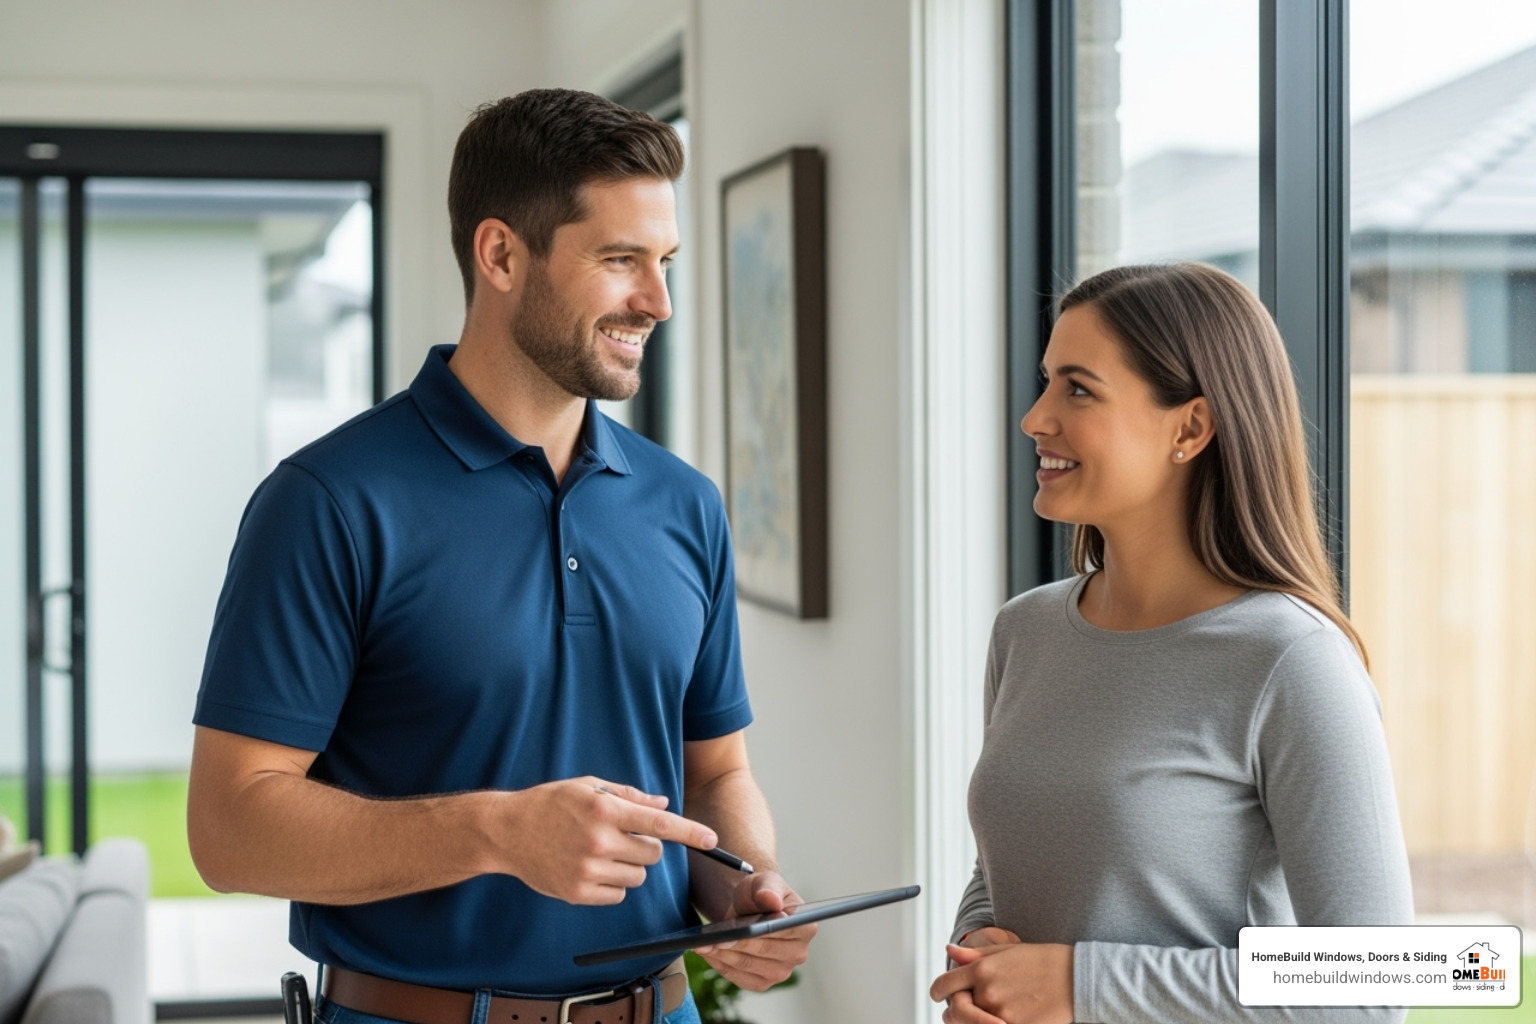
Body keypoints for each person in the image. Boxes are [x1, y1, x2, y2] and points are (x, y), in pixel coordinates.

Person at [187, 89, 814, 1024]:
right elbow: (229, 828)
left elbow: (714, 770)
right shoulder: (328, 502)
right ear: (502, 255)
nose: (658, 301)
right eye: (621, 260)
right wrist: (498, 831)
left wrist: (743, 886)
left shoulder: (685, 504)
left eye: (666, 262)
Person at [928, 263, 1414, 1024]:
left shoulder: (1292, 660)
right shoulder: (1025, 631)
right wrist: (980, 949)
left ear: (1189, 428)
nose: (1035, 418)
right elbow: (1009, 864)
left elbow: (1378, 984)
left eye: (1078, 390)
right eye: (1047, 381)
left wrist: (1080, 986)